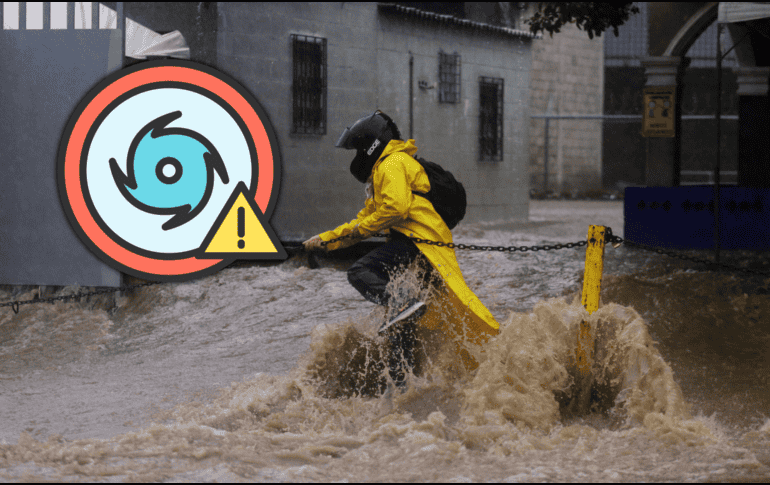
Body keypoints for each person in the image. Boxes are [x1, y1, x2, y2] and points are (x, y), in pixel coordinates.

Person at [303, 110, 499, 388]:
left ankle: (403, 306)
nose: (356, 158)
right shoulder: (385, 169)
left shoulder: (392, 162)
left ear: (370, 146)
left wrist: (359, 231)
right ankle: (403, 387)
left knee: (361, 271)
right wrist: (326, 239)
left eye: (357, 150)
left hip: (417, 242)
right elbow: (365, 220)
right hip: (418, 244)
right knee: (406, 323)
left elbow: (396, 208)